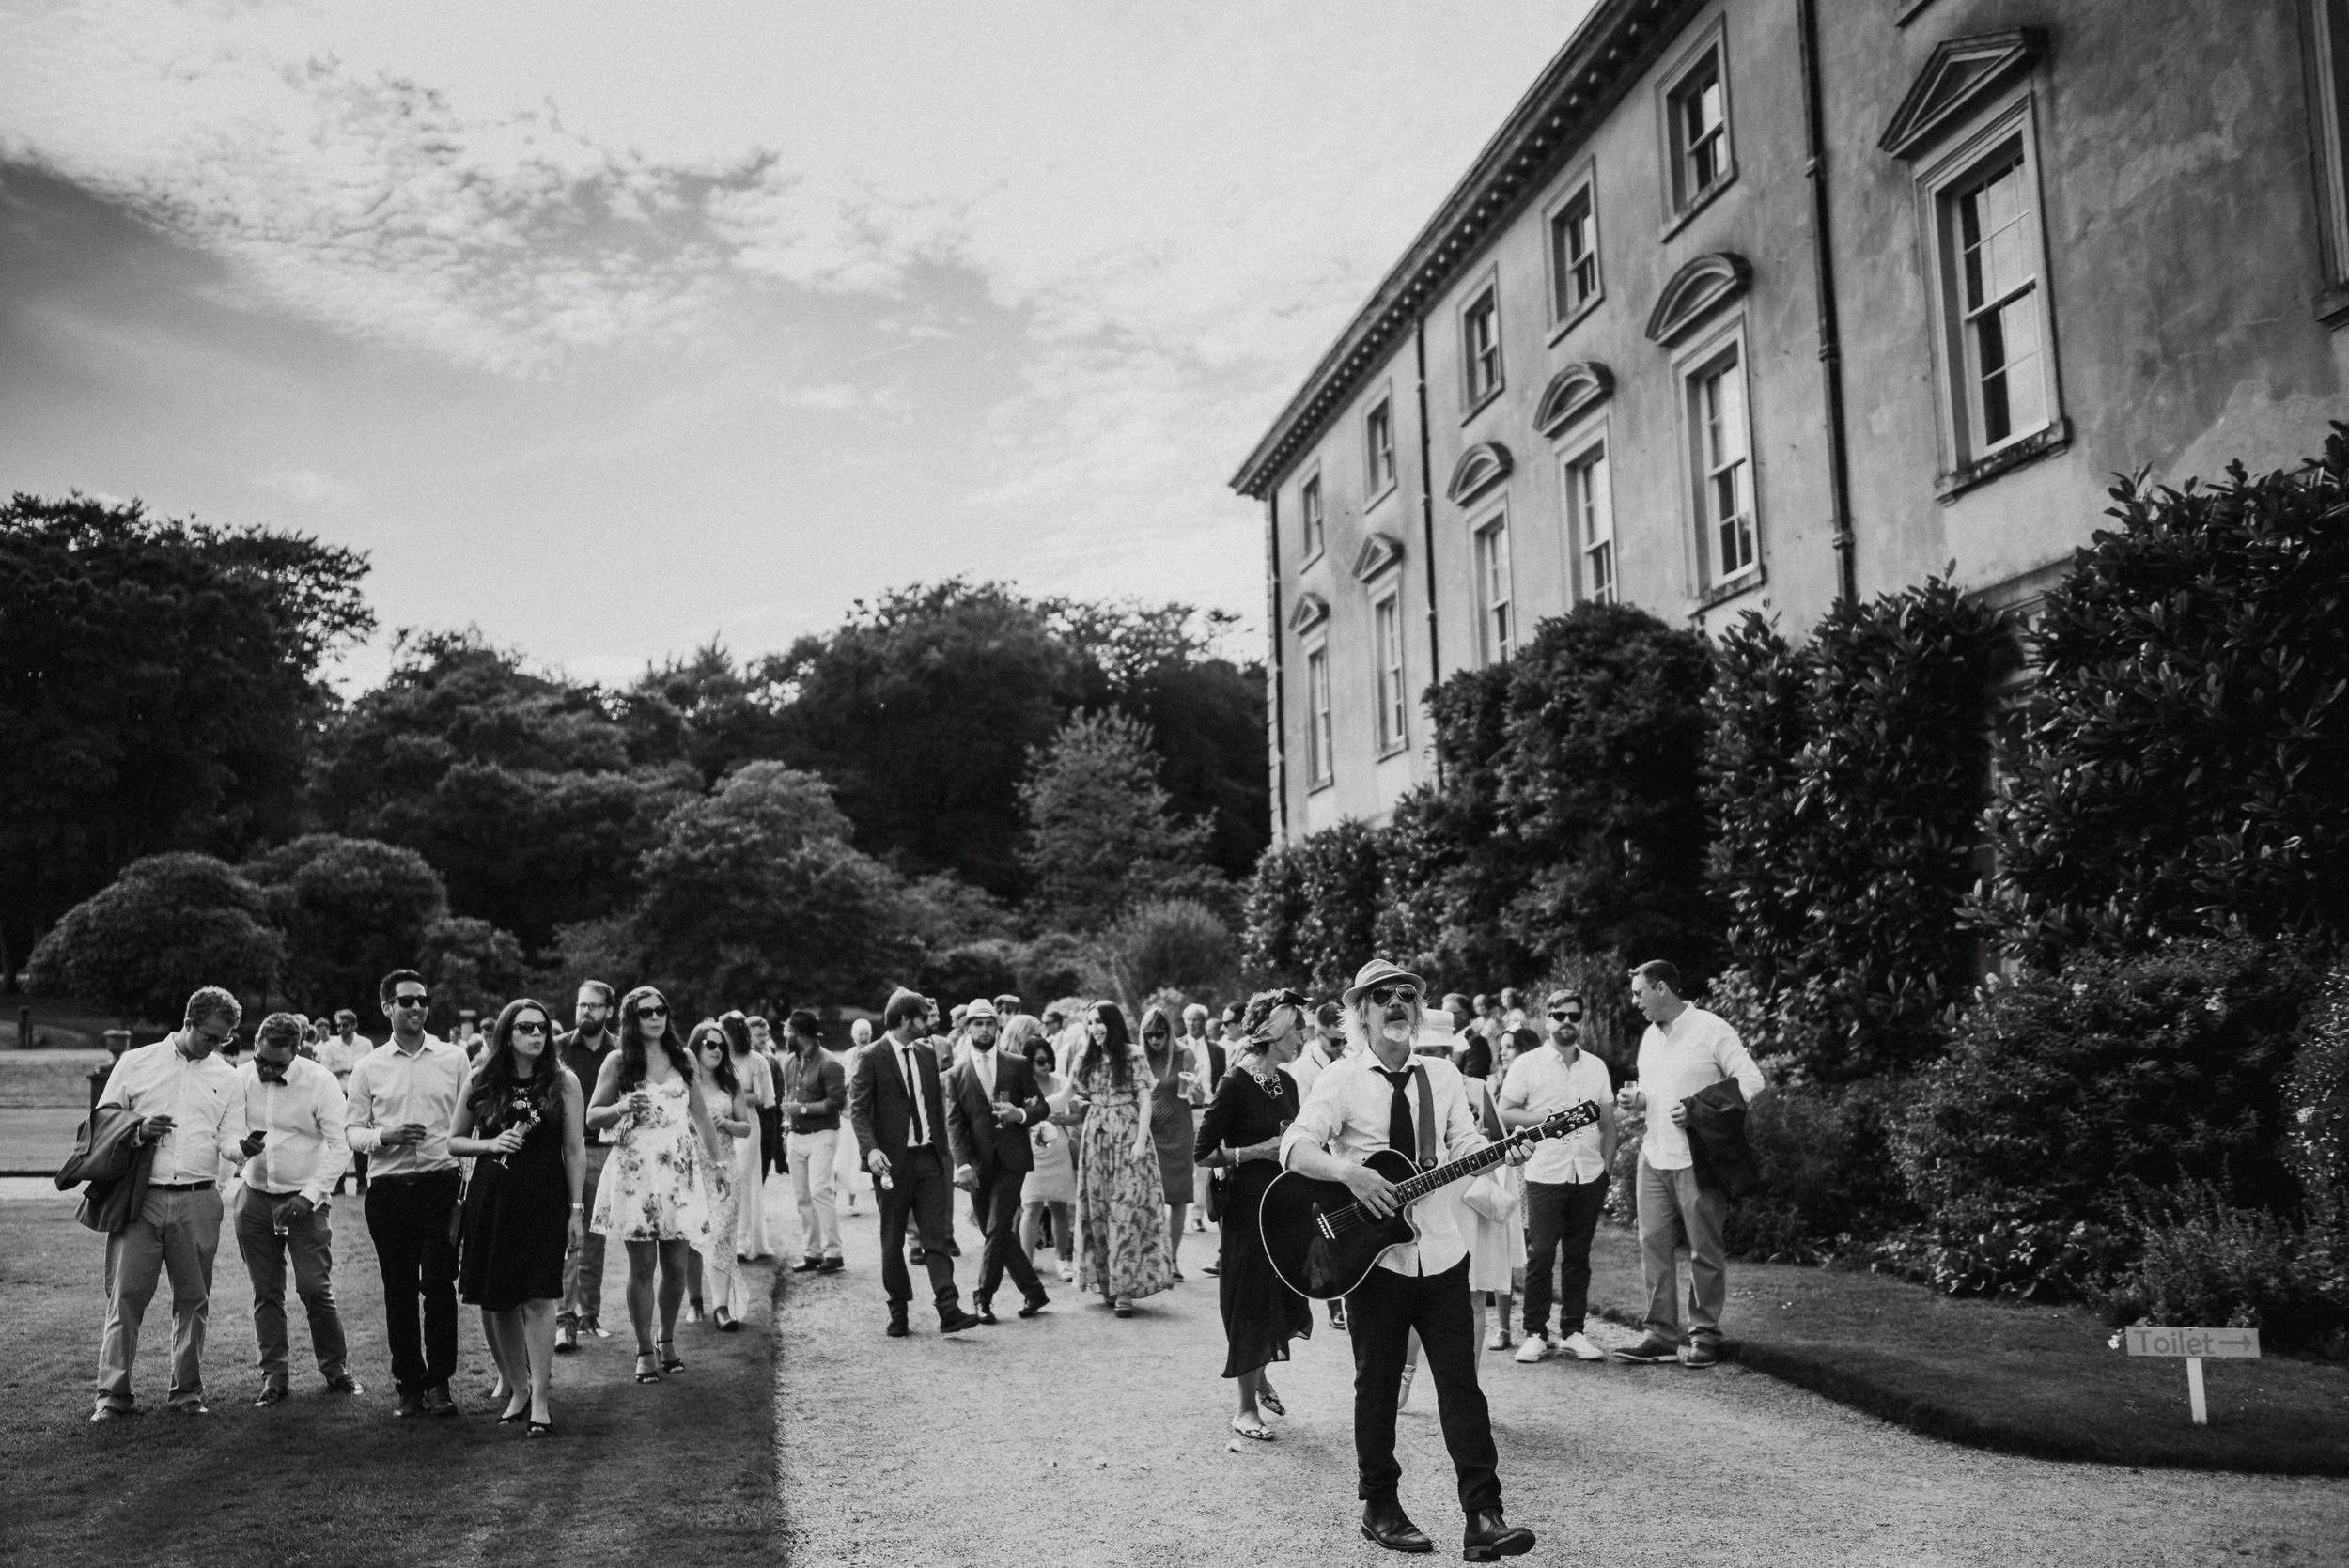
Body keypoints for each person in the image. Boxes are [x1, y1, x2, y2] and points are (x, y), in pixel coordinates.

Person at [1280, 959, 1535, 1561]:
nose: (1395, 1004)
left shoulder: (1441, 1075)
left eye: (1404, 995)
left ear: (1417, 1012)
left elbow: (1465, 1144)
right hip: (1373, 1263)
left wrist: (1505, 1151)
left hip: (1441, 1252)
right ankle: (1380, 1507)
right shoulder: (1342, 1079)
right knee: (1376, 1386)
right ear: (1361, 1013)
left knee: (1462, 1387)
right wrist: (1351, 1173)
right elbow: (1295, 1146)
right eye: (1381, 997)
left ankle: (1484, 1516)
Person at [89, 986, 248, 1420]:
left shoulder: (227, 1077)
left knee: (193, 1299)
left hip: (199, 1198)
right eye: (209, 1037)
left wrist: (242, 1149)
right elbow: (101, 1121)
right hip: (142, 1199)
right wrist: (138, 1130)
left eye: (223, 1040)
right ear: (188, 1021)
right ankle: (112, 1396)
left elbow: (229, 1137)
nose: (215, 1046)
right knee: (125, 1297)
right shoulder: (136, 1062)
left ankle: (187, 1393)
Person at [1614, 960, 1766, 1368]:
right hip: (1654, 1154)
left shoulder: (1712, 1029)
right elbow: (1656, 1093)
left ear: (1661, 989)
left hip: (1697, 1160)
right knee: (1653, 1246)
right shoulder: (1650, 1037)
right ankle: (1659, 1335)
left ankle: (1704, 1336)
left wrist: (1700, 1109)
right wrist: (1639, 1101)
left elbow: (1752, 1081)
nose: (1635, 1001)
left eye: (1639, 993)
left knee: (1704, 1250)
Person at [450, 998, 584, 1436]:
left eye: (541, 1027)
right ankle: (518, 1388)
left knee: (541, 1297)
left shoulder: (563, 1082)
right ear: (506, 1034)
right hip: (493, 1201)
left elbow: (574, 1149)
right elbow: (453, 1141)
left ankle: (541, 1397)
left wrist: (576, 1210)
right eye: (525, 1027)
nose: (536, 1035)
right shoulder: (482, 1080)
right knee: (501, 1299)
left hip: (545, 1199)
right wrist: (490, 1144)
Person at [345, 970, 469, 1418]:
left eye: (422, 1000)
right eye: (407, 1001)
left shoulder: (454, 1058)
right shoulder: (369, 1067)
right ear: (387, 1008)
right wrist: (386, 1136)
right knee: (398, 1289)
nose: (417, 1007)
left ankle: (440, 1383)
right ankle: (409, 1387)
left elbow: (470, 1121)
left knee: (438, 1285)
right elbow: (351, 1131)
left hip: (441, 1185)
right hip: (390, 1191)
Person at [585, 986, 723, 1383]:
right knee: (642, 1266)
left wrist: (718, 1164)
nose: (655, 1017)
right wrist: (621, 1106)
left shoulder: (684, 1058)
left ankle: (667, 1338)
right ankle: (644, 1348)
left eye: (660, 1010)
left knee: (677, 1266)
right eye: (646, 1012)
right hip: (637, 1170)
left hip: (678, 1169)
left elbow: (701, 1115)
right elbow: (592, 1116)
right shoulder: (618, 1060)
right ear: (632, 1019)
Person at [1197, 988, 1313, 1443]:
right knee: (1248, 1301)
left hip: (1285, 1208)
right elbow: (1203, 1153)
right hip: (1247, 1211)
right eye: (1297, 1029)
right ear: (1276, 1032)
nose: (1301, 1037)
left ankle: (1259, 1376)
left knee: (1275, 1299)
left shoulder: (1288, 1083)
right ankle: (1245, 1408)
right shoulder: (1234, 1084)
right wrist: (1256, 1151)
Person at [231, 1011, 361, 1406]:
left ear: (298, 1051)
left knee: (314, 1289)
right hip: (255, 1197)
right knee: (266, 1292)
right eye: (261, 1061)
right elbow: (225, 1132)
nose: (266, 1071)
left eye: (277, 1065)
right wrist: (239, 1147)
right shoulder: (240, 1079)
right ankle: (274, 1377)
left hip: (306, 1202)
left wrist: (308, 1196)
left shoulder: (320, 1082)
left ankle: (335, 1370)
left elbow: (340, 1145)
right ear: (254, 1047)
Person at [849, 987, 982, 1337]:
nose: (930, 1022)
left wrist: (947, 1155)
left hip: (928, 1159)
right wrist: (871, 1150)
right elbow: (858, 1110)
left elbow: (937, 1107)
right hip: (891, 1164)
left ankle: (949, 1309)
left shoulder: (927, 1052)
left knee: (936, 1237)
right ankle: (898, 1310)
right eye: (924, 1017)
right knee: (893, 1240)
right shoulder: (871, 1056)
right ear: (905, 1019)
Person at [1501, 989, 1616, 1364]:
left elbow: (1608, 1123)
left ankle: (1573, 1332)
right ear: (1547, 1019)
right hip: (1545, 1170)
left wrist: (1606, 1171)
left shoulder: (1596, 1067)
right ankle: (1535, 1333)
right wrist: (1548, 1121)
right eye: (1560, 1015)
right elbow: (1505, 1112)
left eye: (1574, 1016)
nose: (1568, 1022)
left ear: (1581, 1020)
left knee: (1578, 1256)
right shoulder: (1528, 1064)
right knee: (1542, 1253)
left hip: (1588, 1172)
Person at [945, 999, 1051, 1324]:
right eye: (978, 1024)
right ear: (967, 1029)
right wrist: (962, 1164)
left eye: (989, 1023)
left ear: (997, 1027)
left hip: (1012, 1159)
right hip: (977, 1166)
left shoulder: (1017, 1065)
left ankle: (983, 1298)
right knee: (998, 1233)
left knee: (995, 1228)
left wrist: (1021, 1114)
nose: (984, 1029)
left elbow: (1041, 1106)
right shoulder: (956, 1073)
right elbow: (954, 1124)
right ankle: (1034, 1292)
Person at [1070, 1001, 1174, 1317]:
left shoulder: (1133, 1054)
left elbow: (1145, 1101)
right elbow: (1069, 1094)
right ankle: (1107, 1280)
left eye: (1099, 1021)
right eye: (1090, 1022)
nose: (1094, 1028)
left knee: (1126, 1208)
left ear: (1112, 1024)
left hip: (1128, 1134)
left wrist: (1140, 1141)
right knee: (1098, 1209)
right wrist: (1029, 1110)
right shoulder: (1085, 1057)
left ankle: (1125, 1287)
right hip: (1096, 1137)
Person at [553, 981, 617, 1354]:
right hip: (567, 1153)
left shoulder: (620, 1052)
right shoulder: (559, 1048)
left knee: (596, 1239)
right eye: (582, 1005)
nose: (586, 1012)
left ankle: (589, 1316)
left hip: (606, 1152)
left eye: (594, 1006)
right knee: (569, 1238)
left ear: (609, 1010)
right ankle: (565, 1321)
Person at [683, 1020, 751, 1330]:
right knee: (692, 1236)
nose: (717, 1050)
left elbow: (745, 1127)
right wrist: (696, 1123)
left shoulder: (730, 1084)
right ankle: (695, 1300)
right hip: (690, 1167)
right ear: (696, 1047)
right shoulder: (684, 1082)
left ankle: (721, 1307)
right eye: (710, 1044)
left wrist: (724, 1122)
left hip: (725, 1165)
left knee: (722, 1234)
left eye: (721, 1046)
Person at [1135, 1005, 1202, 1281]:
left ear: (1168, 1031)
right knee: (1146, 1196)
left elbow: (1198, 1098)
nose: (1154, 1039)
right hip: (1150, 1132)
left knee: (1177, 1198)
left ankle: (1172, 1260)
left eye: (1159, 1033)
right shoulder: (1140, 1057)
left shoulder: (1185, 1054)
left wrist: (1196, 1089)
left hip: (1179, 1130)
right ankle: (1149, 1258)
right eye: (1149, 1034)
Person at [781, 1009, 848, 1274]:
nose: (785, 1035)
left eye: (788, 1031)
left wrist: (803, 1108)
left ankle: (834, 1252)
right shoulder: (790, 1061)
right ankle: (812, 1252)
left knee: (820, 1190)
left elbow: (837, 1102)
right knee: (802, 1196)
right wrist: (787, 1128)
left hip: (823, 1134)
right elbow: (788, 1096)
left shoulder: (829, 1063)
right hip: (796, 1134)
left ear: (799, 1034)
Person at [1013, 1022, 1079, 1284]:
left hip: (1058, 1149)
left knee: (1060, 1206)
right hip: (1032, 1151)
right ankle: (1026, 1263)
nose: (1047, 1065)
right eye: (1040, 1061)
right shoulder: (1021, 1086)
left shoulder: (1061, 1081)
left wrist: (1063, 1120)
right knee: (1031, 1207)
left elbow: (1077, 1115)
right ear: (1029, 1062)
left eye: (1049, 1059)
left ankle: (1062, 1260)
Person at [723, 1012, 774, 1263]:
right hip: (721, 1125)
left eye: (724, 1031)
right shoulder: (718, 1059)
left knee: (741, 1179)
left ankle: (742, 1242)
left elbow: (763, 1097)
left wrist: (733, 1095)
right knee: (725, 1180)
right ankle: (727, 1237)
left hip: (747, 1125)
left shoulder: (756, 1061)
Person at [317, 1010, 369, 1197]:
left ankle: (362, 1182)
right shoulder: (330, 1046)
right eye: (338, 1025)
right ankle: (339, 1182)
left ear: (354, 1025)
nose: (340, 1029)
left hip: (359, 1095)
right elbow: (324, 1072)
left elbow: (371, 1069)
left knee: (359, 1137)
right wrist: (344, 1070)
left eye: (345, 1025)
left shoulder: (365, 1044)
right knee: (338, 1138)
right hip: (338, 1094)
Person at [835, 1018, 875, 1215]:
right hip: (846, 1112)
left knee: (856, 1159)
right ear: (853, 1036)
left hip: (867, 1111)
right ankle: (832, 1200)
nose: (864, 1037)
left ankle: (852, 1202)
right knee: (840, 1158)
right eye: (860, 1033)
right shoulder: (848, 1055)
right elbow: (841, 1082)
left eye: (867, 1033)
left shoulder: (875, 1053)